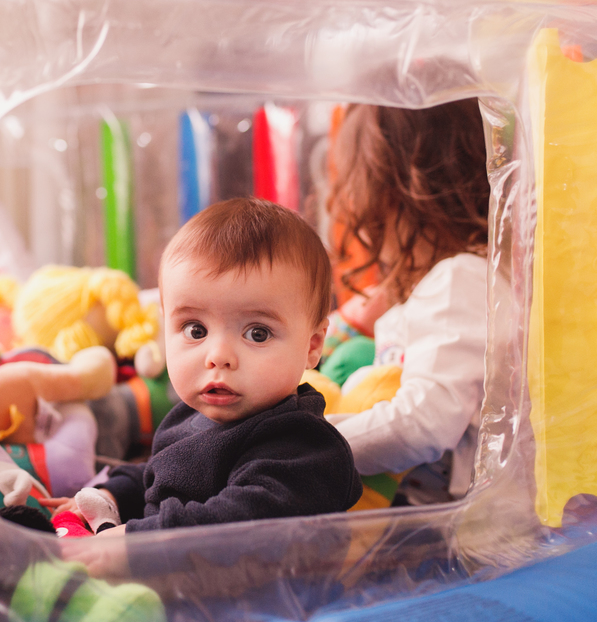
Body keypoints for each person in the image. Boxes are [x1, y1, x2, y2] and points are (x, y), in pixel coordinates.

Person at [47, 198, 362, 537]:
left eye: (257, 333)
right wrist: (112, 495)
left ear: (312, 346)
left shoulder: (304, 448)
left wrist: (130, 542)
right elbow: (163, 475)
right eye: (195, 330)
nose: (218, 356)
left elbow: (235, 526)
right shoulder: (189, 416)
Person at [326, 99, 492, 504]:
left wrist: (305, 448)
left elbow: (426, 421)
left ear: (396, 197)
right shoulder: (450, 280)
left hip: (446, 510)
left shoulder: (460, 278)